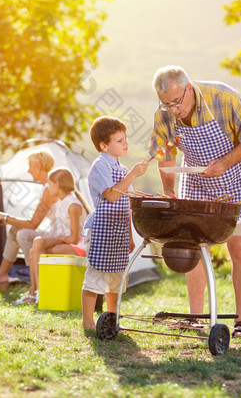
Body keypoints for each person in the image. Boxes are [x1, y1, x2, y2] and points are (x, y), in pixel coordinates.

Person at [149, 65, 241, 339]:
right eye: (167, 104)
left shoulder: (224, 98)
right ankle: (197, 318)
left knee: (240, 248)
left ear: (189, 88)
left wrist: (224, 162)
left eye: (177, 102)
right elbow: (166, 154)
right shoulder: (163, 114)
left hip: (235, 177)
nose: (174, 109)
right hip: (196, 179)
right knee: (193, 248)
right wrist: (168, 191)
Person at [81, 116, 149, 331]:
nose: (126, 143)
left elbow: (127, 204)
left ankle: (112, 320)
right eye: (120, 140)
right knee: (96, 276)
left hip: (119, 230)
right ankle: (88, 322)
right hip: (101, 229)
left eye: (125, 138)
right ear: (104, 145)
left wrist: (129, 236)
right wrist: (133, 174)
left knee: (116, 278)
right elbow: (111, 195)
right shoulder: (100, 165)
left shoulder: (122, 168)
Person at [0, 150, 58, 290]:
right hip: (56, 234)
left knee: (23, 234)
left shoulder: (49, 190)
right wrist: (6, 220)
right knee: (14, 230)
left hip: (61, 236)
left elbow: (33, 224)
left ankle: (36, 286)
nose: (29, 171)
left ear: (39, 166)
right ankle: (1, 276)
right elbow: (32, 222)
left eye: (31, 166)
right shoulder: (47, 187)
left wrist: (3, 216)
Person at [14, 168, 89, 305]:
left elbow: (73, 238)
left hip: (80, 246)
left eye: (49, 184)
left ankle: (38, 293)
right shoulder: (60, 202)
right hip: (68, 243)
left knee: (35, 252)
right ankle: (35, 292)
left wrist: (58, 239)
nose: (47, 188)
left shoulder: (73, 205)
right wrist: (57, 238)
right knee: (35, 246)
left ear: (57, 185)